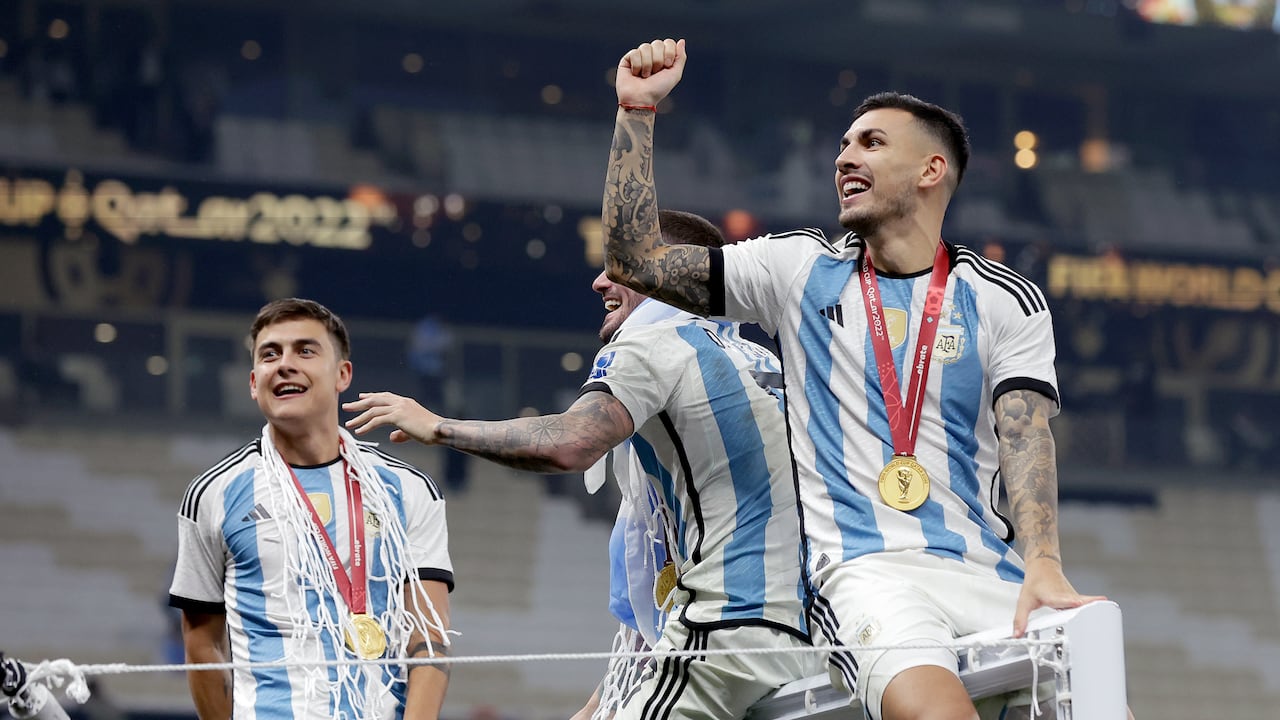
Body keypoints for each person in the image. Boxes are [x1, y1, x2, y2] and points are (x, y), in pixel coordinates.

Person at [602, 39, 1113, 720]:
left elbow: (1026, 432)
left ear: (932, 170)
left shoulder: (1004, 296)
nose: (845, 157)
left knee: (1107, 706)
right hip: (865, 576)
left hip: (992, 571)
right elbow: (637, 258)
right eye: (844, 145)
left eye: (871, 143)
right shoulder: (797, 270)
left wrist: (1043, 563)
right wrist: (636, 112)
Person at [345, 210, 819, 720]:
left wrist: (438, 426)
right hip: (804, 643)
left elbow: (571, 443)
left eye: (619, 268)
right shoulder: (767, 362)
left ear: (666, 273)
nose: (598, 283)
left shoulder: (655, 343)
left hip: (726, 629)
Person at [168, 298, 453, 720]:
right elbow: (202, 642)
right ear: (253, 382)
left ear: (343, 375)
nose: (284, 364)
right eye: (270, 354)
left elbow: (428, 639)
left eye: (305, 350)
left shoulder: (408, 489)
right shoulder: (213, 493)